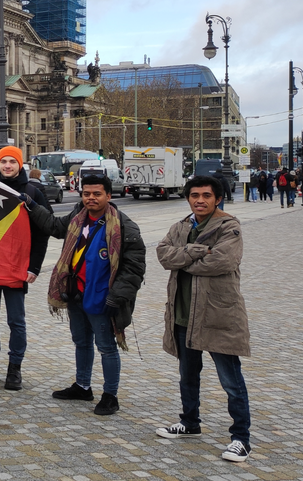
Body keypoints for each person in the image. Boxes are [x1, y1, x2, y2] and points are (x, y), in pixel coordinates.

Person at [25, 175, 145, 416]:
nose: (91, 198)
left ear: (109, 196)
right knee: (81, 342)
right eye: (87, 194)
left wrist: (116, 297)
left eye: (97, 194)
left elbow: (134, 268)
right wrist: (31, 206)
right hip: (75, 294)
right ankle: (82, 386)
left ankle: (110, 395)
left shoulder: (124, 226)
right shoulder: (77, 218)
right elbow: (53, 226)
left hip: (102, 298)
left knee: (106, 347)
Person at [155, 175, 252, 462]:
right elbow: (163, 255)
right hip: (184, 314)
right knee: (188, 375)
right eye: (194, 195)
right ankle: (189, 422)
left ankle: (241, 438)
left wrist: (183, 261)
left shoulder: (229, 227)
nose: (200, 200)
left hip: (217, 315)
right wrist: (192, 252)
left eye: (206, 195)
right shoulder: (182, 226)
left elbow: (222, 261)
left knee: (231, 380)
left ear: (217, 198)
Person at [0, 146, 50, 391]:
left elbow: (43, 232)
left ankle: (14, 368)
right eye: (3, 161)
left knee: (16, 320)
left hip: (17, 266)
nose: (7, 166)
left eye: (12, 162)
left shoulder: (33, 192)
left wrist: (34, 266)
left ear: (20, 164)